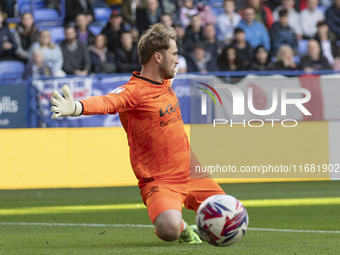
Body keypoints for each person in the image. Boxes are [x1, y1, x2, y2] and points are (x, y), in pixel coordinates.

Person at [50, 23, 225, 244]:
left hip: (190, 170)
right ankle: (183, 228)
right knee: (169, 229)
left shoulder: (166, 79)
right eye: (174, 54)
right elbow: (108, 101)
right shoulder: (134, 91)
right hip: (160, 180)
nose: (178, 60)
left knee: (227, 214)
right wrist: (76, 107)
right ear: (158, 58)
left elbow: (170, 67)